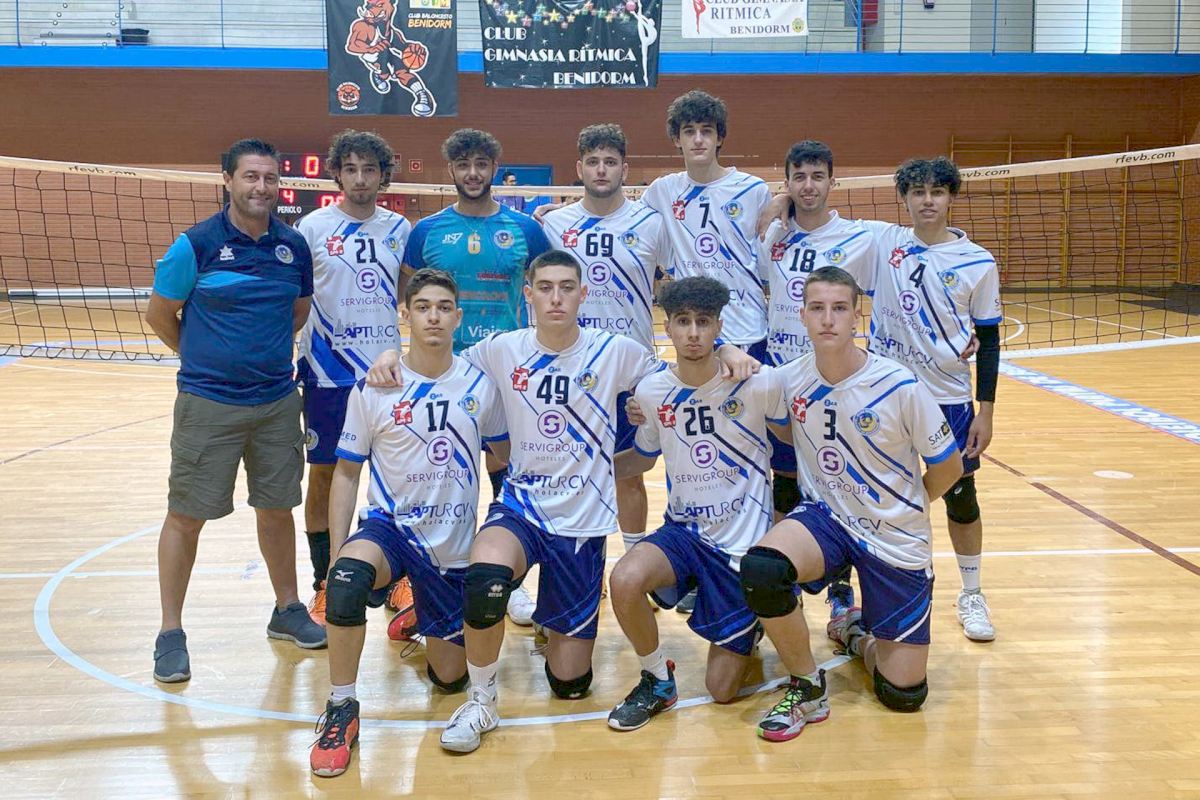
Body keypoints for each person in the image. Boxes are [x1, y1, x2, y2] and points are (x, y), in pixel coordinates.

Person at [365, 251, 756, 753]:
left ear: (582, 294)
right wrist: (390, 355)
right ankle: (482, 700)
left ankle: (555, 627)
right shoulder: (502, 349)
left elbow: (681, 368)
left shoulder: (614, 351)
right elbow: (434, 354)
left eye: (566, 287)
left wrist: (726, 349)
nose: (556, 298)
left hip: (581, 523)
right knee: (485, 576)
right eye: (545, 287)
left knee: (570, 684)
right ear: (528, 294)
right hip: (522, 508)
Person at [739, 266, 963, 737]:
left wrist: (909, 505)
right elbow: (744, 395)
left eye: (839, 308)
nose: (828, 319)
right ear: (802, 315)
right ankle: (808, 685)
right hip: (827, 519)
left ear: (856, 316)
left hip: (894, 534)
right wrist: (725, 351)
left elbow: (949, 466)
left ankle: (854, 635)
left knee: (904, 694)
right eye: (817, 308)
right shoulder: (788, 379)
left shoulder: (899, 385)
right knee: (762, 569)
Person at [309, 269, 507, 777]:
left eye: (443, 307)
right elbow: (346, 474)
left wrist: (501, 531)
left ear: (458, 317)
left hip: (451, 547)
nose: (433, 317)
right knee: (348, 581)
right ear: (405, 315)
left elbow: (501, 460)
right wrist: (335, 557)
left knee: (450, 679)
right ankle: (341, 707)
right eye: (422, 307)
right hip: (390, 530)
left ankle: (419, 609)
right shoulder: (376, 388)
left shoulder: (479, 386)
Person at [144, 138, 326, 684]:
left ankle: (287, 609)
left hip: (276, 402)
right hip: (208, 406)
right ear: (227, 180)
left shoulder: (293, 247)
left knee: (277, 508)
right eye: (250, 176)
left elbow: (297, 313)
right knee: (186, 516)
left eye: (269, 178)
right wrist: (205, 359)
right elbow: (159, 315)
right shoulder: (195, 245)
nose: (261, 188)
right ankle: (170, 632)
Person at [608, 276, 784, 732]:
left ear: (719, 327)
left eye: (703, 322)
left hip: (742, 546)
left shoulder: (755, 382)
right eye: (682, 321)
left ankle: (757, 619)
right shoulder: (651, 392)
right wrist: (589, 468)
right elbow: (643, 458)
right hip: (685, 533)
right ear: (666, 327)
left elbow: (792, 437)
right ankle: (656, 680)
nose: (692, 333)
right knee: (624, 579)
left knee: (722, 691)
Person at [401, 128, 553, 625]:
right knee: (442, 478)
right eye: (463, 164)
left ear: (494, 168)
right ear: (451, 169)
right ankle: (433, 578)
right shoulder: (426, 232)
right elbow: (411, 296)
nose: (472, 173)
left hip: (508, 375)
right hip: (444, 375)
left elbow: (547, 289)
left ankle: (510, 580)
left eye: (481, 164)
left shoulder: (526, 229)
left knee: (509, 476)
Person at [860, 157, 1003, 641]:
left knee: (961, 495)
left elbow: (990, 340)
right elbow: (818, 222)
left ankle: (972, 594)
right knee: (875, 492)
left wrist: (986, 411)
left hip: (949, 397)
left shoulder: (978, 262)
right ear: (904, 198)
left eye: (937, 192)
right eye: (918, 191)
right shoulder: (883, 243)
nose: (927, 200)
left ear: (950, 197)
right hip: (885, 396)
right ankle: (875, 593)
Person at [295, 129, 411, 628]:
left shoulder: (400, 228)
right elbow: (297, 296)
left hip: (385, 374)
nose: (360, 179)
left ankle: (399, 576)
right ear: (336, 175)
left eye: (370, 170)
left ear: (383, 176)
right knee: (325, 476)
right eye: (351, 169)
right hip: (326, 372)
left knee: (397, 476)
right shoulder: (312, 227)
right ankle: (325, 582)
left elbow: (408, 291)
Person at [541, 123, 672, 558]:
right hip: (571, 370)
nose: (602, 170)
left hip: (630, 372)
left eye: (611, 162)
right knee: (573, 471)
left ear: (624, 170)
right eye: (593, 162)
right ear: (579, 169)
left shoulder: (651, 224)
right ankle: (581, 563)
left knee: (629, 473)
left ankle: (634, 559)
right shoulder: (554, 225)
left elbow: (678, 280)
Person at [756, 140, 875, 615]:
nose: (808, 186)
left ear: (832, 181)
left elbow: (908, 270)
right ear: (787, 182)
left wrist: (961, 331)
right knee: (784, 480)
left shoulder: (860, 238)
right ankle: (784, 580)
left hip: (835, 381)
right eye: (799, 177)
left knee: (837, 480)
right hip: (783, 378)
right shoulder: (771, 235)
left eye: (817, 176)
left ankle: (841, 588)